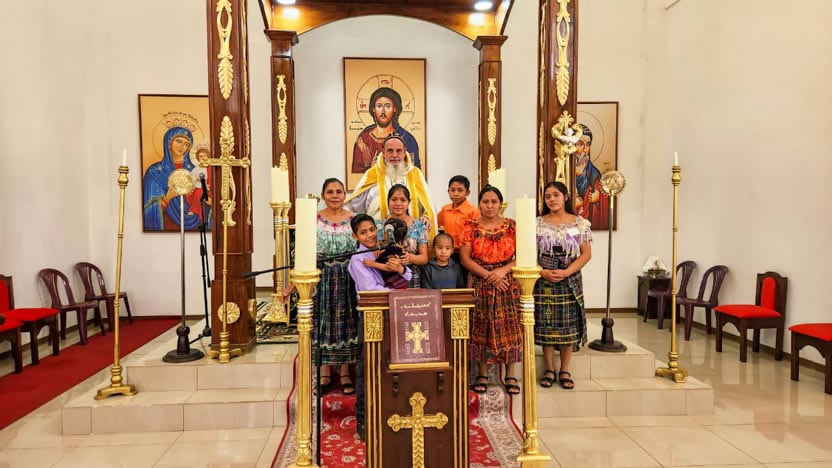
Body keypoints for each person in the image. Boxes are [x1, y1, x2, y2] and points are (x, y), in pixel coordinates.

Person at [348, 213, 411, 440]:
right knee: (368, 367)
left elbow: (408, 275)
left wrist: (401, 269)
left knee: (394, 363)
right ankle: (364, 419)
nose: (370, 235)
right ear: (355, 236)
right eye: (363, 232)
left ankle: (394, 414)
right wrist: (398, 293)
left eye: (372, 230)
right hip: (372, 315)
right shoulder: (357, 260)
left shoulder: (385, 250)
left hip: (395, 313)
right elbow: (370, 290)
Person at [460, 185, 522, 396]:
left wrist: (502, 271)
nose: (489, 205)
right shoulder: (470, 226)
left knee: (510, 327)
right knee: (480, 326)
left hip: (507, 281)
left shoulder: (512, 226)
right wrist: (489, 276)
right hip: (480, 280)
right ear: (479, 204)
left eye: (494, 201)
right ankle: (482, 373)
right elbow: (465, 259)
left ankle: (510, 374)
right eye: (485, 201)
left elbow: (522, 255)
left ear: (500, 204)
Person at [534, 181, 593, 390]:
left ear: (565, 197)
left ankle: (565, 369)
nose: (552, 199)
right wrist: (542, 271)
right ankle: (549, 368)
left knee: (568, 325)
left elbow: (586, 254)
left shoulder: (579, 223)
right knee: (547, 323)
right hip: (545, 278)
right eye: (548, 196)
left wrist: (567, 272)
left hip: (569, 278)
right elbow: (530, 253)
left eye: (556, 195)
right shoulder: (538, 223)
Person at [311, 178, 360, 395]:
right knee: (323, 322)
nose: (334, 196)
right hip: (322, 277)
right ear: (323, 195)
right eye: (330, 192)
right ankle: (325, 372)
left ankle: (345, 372)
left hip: (348, 276)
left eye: (339, 191)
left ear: (344, 195)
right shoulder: (313, 219)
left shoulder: (353, 219)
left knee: (346, 321)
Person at [346, 134, 436, 239]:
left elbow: (427, 205)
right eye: (390, 151)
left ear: (404, 152)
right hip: (378, 238)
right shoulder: (372, 174)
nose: (394, 155)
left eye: (398, 151)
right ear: (383, 152)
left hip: (411, 238)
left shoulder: (415, 174)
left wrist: (426, 216)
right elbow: (355, 206)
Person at [143, 127, 208, 231]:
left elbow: (206, 200)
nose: (182, 146)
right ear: (169, 142)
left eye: (186, 144)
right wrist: (167, 198)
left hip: (195, 224)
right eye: (178, 141)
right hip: (167, 225)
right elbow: (148, 210)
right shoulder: (154, 172)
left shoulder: (194, 170)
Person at [351, 87, 421, 173]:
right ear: (373, 109)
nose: (383, 111)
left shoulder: (407, 139)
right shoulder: (363, 141)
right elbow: (355, 176)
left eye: (388, 106)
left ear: (395, 109)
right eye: (379, 106)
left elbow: (414, 173)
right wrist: (371, 170)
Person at [376, 184, 430, 288]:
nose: (398, 203)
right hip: (385, 274)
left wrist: (410, 258)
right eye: (394, 199)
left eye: (403, 200)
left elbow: (424, 258)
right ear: (388, 201)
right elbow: (375, 253)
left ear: (408, 202)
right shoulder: (379, 226)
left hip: (411, 276)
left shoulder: (419, 225)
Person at [574, 124, 610, 229]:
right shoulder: (563, 170)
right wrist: (572, 203)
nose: (585, 150)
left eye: (588, 144)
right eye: (580, 144)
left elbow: (602, 193)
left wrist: (599, 197)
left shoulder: (594, 172)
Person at [437, 175, 480, 258]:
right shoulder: (445, 210)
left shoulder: (473, 212)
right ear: (448, 191)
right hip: (448, 253)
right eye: (452, 190)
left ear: (467, 192)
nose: (455, 194)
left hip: (467, 253)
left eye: (460, 190)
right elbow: (436, 225)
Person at [364, 217, 409, 290]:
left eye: (384, 231)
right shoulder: (385, 247)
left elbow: (390, 267)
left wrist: (373, 264)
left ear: (388, 234)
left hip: (396, 284)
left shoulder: (394, 249)